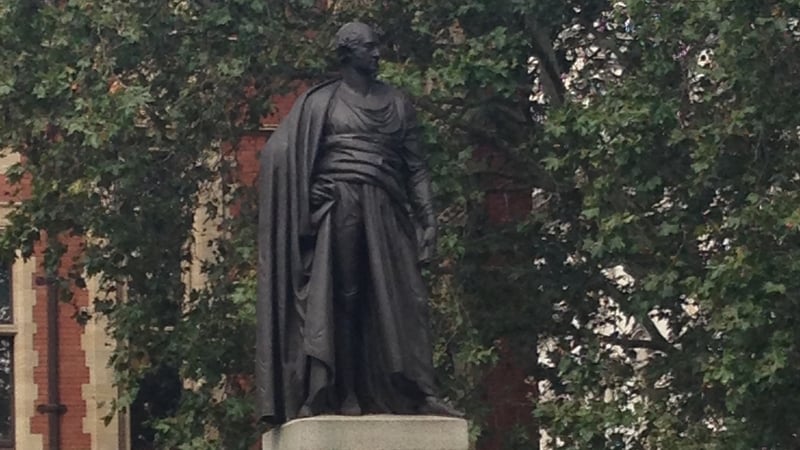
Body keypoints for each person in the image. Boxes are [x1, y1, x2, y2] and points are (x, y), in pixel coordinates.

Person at [256, 21, 460, 424]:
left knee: (408, 298)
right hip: (341, 207)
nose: (377, 54)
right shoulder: (321, 103)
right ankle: (335, 388)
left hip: (387, 208)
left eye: (377, 46)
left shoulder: (399, 103)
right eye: (369, 47)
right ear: (348, 53)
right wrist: (305, 191)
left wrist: (429, 221)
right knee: (344, 297)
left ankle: (419, 390)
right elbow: (277, 156)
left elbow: (416, 169)